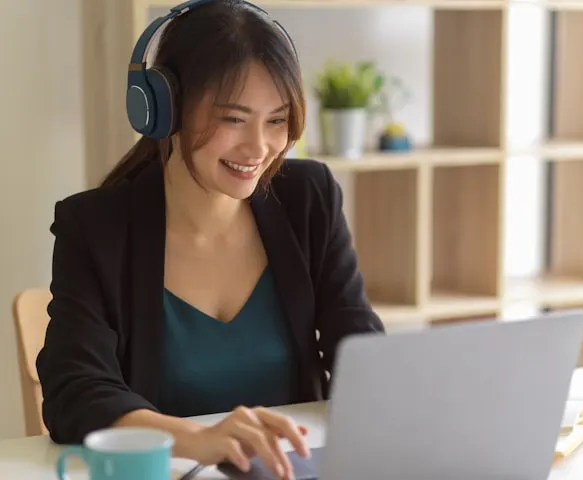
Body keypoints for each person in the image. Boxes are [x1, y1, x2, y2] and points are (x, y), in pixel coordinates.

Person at [35, 0, 384, 478]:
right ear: (164, 109)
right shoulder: (96, 228)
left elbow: (360, 348)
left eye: (277, 120)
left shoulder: (309, 198)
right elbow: (74, 391)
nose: (259, 147)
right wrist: (199, 441)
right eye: (234, 119)